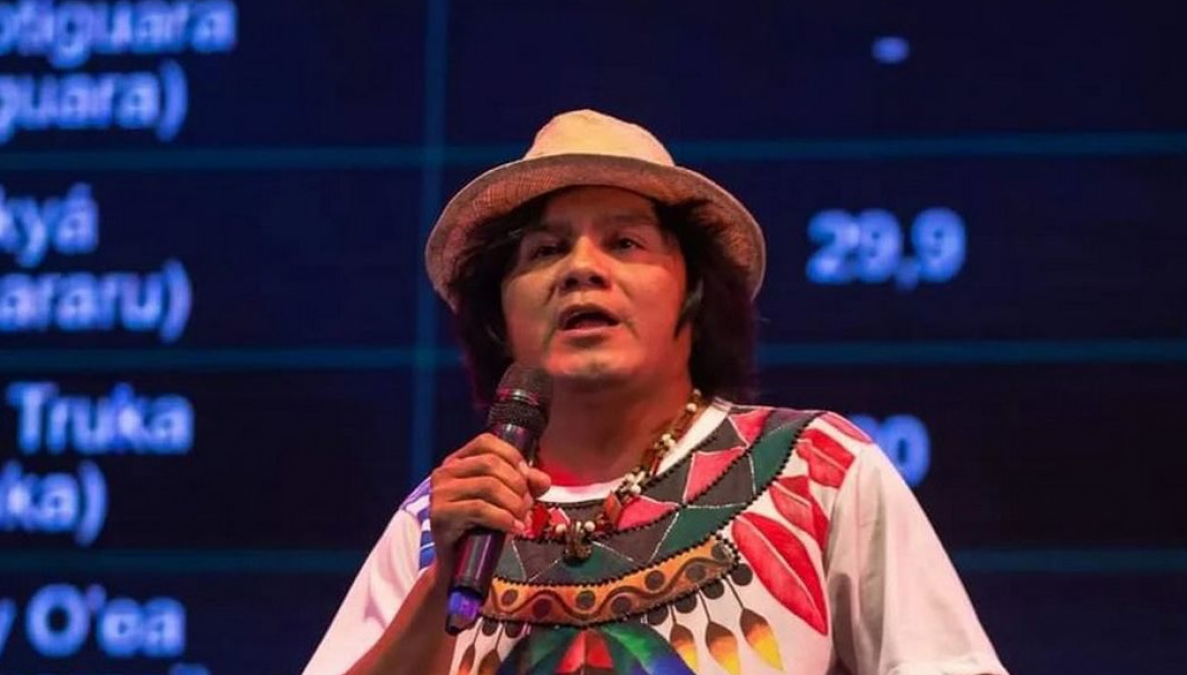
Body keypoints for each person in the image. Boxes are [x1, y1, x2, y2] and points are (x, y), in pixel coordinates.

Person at [302, 110, 1008, 675]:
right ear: (499, 318)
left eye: (626, 243)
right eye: (545, 251)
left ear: (694, 296)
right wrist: (441, 588)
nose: (581, 269)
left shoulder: (820, 471)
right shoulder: (439, 518)